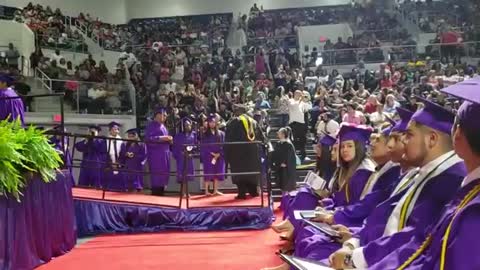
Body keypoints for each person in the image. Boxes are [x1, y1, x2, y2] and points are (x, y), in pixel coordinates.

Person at [328, 97, 466, 269]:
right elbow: (385, 215)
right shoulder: (426, 173)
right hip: (382, 254)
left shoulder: (451, 178)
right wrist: (356, 241)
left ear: (432, 139)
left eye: (408, 135)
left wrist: (356, 257)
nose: (403, 141)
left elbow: (416, 239)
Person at [369, 77, 480, 270]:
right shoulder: (468, 192)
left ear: (458, 136)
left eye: (408, 135)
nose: (402, 141)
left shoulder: (467, 199)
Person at [271, 124, 376, 241]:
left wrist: (331, 212)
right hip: (339, 211)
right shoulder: (346, 168)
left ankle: (292, 228)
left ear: (359, 147)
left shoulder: (363, 172)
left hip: (349, 221)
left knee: (309, 224)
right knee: (306, 206)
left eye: (350, 146)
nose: (345, 150)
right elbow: (339, 198)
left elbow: (355, 206)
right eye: (343, 146)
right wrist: (328, 205)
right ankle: (291, 227)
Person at [224, 104, 265, 199]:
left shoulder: (234, 121)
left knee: (240, 172)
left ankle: (241, 193)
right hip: (253, 153)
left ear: (239, 112)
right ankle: (253, 192)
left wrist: (227, 150)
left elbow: (229, 137)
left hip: (238, 152)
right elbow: (261, 137)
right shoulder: (254, 122)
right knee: (252, 172)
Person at [145, 108, 172, 196]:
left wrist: (169, 140)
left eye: (165, 115)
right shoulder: (151, 126)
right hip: (156, 155)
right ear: (157, 115)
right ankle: (156, 194)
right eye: (163, 115)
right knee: (157, 175)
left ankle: (161, 193)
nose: (165, 117)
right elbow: (149, 139)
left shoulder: (163, 126)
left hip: (165, 154)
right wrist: (162, 138)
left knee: (164, 175)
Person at [200, 114, 225, 196]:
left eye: (213, 122)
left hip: (218, 156)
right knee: (208, 172)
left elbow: (223, 145)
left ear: (216, 123)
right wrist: (212, 153)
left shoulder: (221, 133)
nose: (212, 124)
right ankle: (206, 190)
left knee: (217, 172)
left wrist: (219, 154)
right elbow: (204, 145)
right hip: (209, 156)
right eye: (210, 122)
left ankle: (215, 190)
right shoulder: (205, 134)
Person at [173, 117, 197, 196]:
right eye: (186, 125)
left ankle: (186, 192)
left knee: (187, 175)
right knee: (182, 175)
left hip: (189, 157)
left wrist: (192, 151)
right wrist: (180, 153)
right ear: (183, 126)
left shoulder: (194, 135)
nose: (187, 127)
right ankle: (183, 192)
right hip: (181, 157)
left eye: (189, 125)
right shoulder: (178, 136)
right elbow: (175, 146)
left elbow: (196, 145)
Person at [271, 127, 297, 195]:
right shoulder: (278, 144)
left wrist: (285, 164)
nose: (277, 134)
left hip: (286, 169)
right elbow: (275, 155)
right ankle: (284, 200)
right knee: (282, 186)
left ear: (283, 134)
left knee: (287, 186)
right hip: (280, 168)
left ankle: (286, 201)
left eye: (279, 133)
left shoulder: (289, 145)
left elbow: (291, 158)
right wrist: (277, 164)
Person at [288, 90, 312, 161]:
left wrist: (306, 100)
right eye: (299, 94)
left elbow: (309, 108)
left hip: (301, 124)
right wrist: (300, 100)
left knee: (303, 140)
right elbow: (294, 106)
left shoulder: (302, 102)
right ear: (295, 94)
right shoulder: (291, 100)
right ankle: (293, 156)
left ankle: (303, 156)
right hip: (293, 124)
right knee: (293, 140)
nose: (300, 95)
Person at [104, 121, 124, 191]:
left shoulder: (121, 141)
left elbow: (123, 153)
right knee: (109, 185)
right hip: (109, 165)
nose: (115, 131)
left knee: (119, 185)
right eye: (113, 129)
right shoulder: (105, 140)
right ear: (110, 130)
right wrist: (110, 163)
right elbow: (104, 153)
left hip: (119, 165)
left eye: (117, 129)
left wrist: (118, 162)